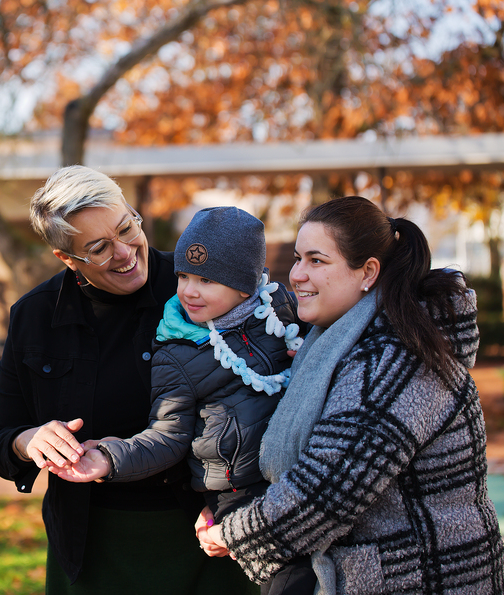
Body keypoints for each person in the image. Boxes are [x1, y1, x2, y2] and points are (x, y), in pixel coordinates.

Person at [197, 196, 504, 595]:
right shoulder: (337, 345)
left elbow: (329, 486)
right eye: (297, 258)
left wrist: (232, 533)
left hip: (429, 576)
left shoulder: (396, 357)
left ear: (368, 272)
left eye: (317, 261)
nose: (296, 275)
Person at [0, 166, 256, 593]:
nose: (124, 252)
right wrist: (30, 440)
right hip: (91, 547)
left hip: (209, 533)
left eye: (126, 228)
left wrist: (238, 501)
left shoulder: (202, 287)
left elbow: (265, 397)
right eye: (98, 247)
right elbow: (3, 441)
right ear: (66, 258)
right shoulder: (34, 317)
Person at [49, 206, 313, 595]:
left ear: (245, 284)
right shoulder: (178, 351)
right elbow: (168, 434)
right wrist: (108, 458)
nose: (189, 290)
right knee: (292, 583)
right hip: (239, 494)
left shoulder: (284, 315)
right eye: (183, 275)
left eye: (206, 279)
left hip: (301, 475)